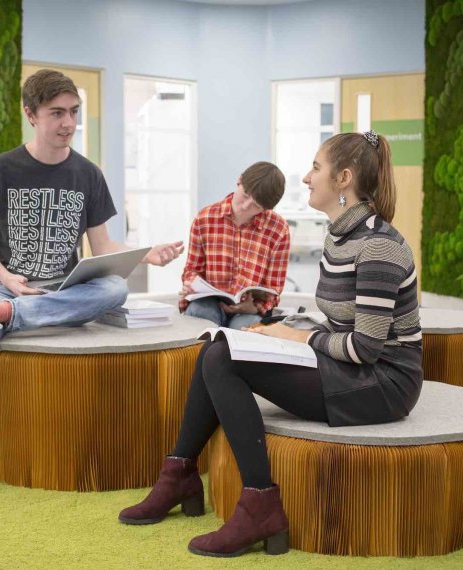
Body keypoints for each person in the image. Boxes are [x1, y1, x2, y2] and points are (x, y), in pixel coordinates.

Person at [118, 131, 422, 558]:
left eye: (316, 168)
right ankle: (180, 473)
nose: (305, 178)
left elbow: (366, 348)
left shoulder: (377, 247)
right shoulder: (340, 235)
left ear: (344, 179)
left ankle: (259, 502)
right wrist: (284, 331)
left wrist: (296, 336)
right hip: (353, 369)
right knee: (221, 343)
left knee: (225, 358)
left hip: (382, 384)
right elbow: (340, 321)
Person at [0, 69, 183, 497]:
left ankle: (5, 316)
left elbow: (101, 244)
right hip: (7, 285)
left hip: (66, 289)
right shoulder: (0, 169)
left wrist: (144, 253)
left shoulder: (87, 174)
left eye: (74, 112)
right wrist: (6, 279)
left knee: (116, 289)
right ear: (30, 114)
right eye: (57, 113)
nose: (69, 123)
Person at [179, 162, 290, 330]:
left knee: (244, 329)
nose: (246, 206)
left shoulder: (278, 229)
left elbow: (273, 289)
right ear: (239, 181)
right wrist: (190, 285)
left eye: (256, 205)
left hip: (249, 310)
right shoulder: (205, 218)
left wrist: (256, 307)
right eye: (245, 195)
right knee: (201, 315)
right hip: (208, 302)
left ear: (266, 208)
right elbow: (192, 270)